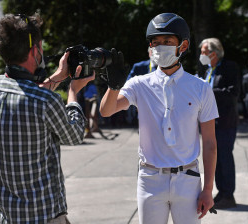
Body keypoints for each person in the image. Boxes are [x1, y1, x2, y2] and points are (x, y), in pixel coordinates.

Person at [100, 13, 218, 224]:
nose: (159, 47)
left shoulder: (200, 88)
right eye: (155, 42)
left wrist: (208, 189)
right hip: (150, 179)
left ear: (182, 46)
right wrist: (113, 85)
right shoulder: (138, 84)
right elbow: (106, 111)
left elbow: (210, 143)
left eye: (167, 42)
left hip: (188, 179)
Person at [0, 13, 94, 224]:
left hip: (8, 216)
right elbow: (75, 135)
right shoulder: (45, 101)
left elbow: (25, 92)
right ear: (35, 51)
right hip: (45, 216)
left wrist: (59, 75)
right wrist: (73, 92)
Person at [199, 38, 240, 209]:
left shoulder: (230, 68)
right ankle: (221, 192)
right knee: (214, 159)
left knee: (224, 157)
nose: (201, 55)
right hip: (210, 123)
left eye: (203, 52)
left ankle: (229, 195)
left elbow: (233, 93)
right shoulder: (208, 69)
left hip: (225, 122)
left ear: (213, 53)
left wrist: (207, 91)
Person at [126, 47, 158, 125]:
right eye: (153, 52)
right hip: (143, 107)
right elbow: (128, 85)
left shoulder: (169, 69)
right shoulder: (139, 67)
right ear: (150, 53)